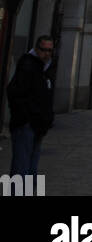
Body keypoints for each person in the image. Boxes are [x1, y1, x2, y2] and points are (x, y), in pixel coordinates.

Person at [6, 34, 55, 179]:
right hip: (26, 124)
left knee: (31, 170)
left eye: (50, 50)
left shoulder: (45, 67)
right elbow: (15, 93)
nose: (46, 53)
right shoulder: (28, 65)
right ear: (36, 48)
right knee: (21, 169)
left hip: (38, 125)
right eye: (43, 49)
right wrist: (26, 117)